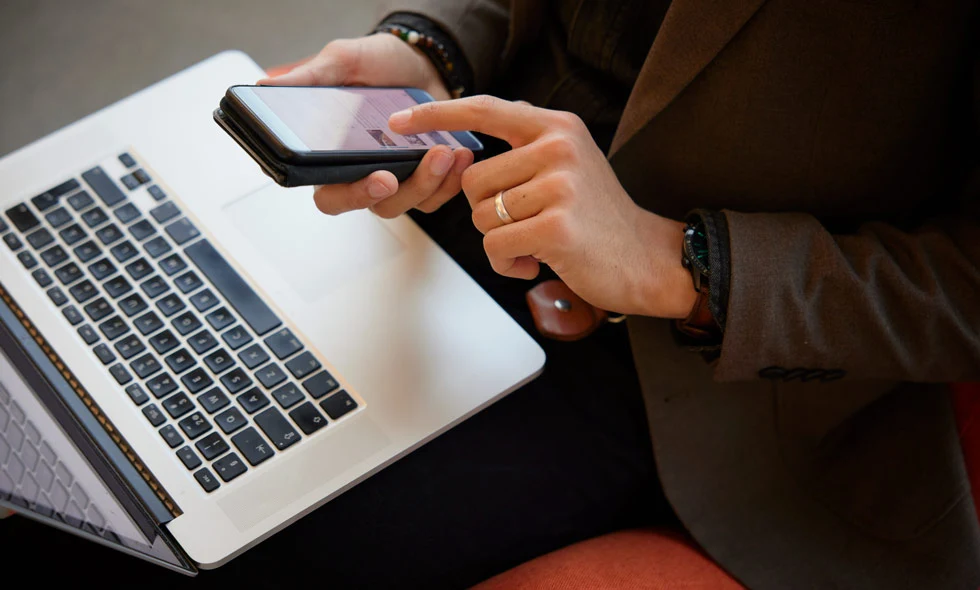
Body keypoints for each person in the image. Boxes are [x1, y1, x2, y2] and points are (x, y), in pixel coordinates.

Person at [6, 1, 978, 588]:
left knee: (138, 530)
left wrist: (679, 262)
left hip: (679, 368)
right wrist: (428, 51)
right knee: (57, 333)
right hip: (444, 175)